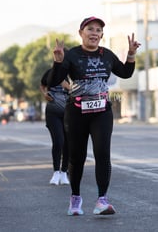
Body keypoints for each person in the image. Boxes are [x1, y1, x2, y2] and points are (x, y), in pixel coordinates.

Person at [47, 16, 140, 216]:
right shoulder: (71, 54)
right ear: (81, 33)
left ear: (101, 36)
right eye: (90, 29)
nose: (94, 33)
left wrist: (131, 54)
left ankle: (102, 200)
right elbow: (54, 80)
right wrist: (58, 61)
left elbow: (125, 73)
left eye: (98, 30)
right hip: (77, 112)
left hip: (102, 112)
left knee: (103, 155)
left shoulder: (106, 55)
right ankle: (75, 198)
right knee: (77, 157)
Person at [40, 68, 70, 186]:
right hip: (53, 112)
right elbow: (42, 85)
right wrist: (44, 94)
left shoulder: (72, 73)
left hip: (69, 113)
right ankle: (56, 172)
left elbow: (79, 91)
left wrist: (67, 86)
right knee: (58, 141)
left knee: (68, 143)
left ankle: (64, 173)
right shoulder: (50, 72)